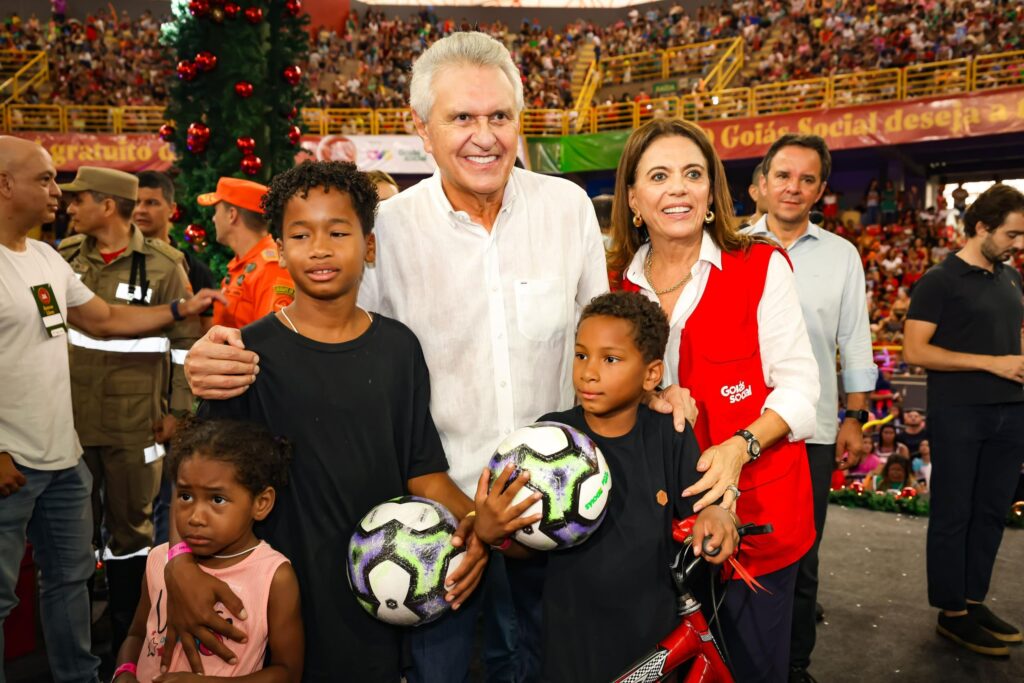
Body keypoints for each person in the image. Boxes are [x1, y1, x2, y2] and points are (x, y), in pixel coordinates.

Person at [183, 33, 695, 683]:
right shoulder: (386, 233)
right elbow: (326, 336)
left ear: (520, 120)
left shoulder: (566, 209)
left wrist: (661, 386)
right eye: (461, 118)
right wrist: (219, 354)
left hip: (557, 521)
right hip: (437, 529)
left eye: (499, 116)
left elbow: (609, 339)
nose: (484, 136)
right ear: (420, 129)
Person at [165, 161, 492, 681]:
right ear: (278, 247)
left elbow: (421, 470)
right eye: (301, 234)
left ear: (369, 246)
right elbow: (196, 478)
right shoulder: (248, 354)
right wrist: (178, 561)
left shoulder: (398, 348)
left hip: (376, 591)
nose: (319, 247)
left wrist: (475, 521)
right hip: (278, 592)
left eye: (338, 232)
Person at [0, 136, 220, 683]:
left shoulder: (46, 257)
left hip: (65, 458)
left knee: (71, 581)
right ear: (4, 185)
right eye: (46, 180)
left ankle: (79, 676)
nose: (58, 192)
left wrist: (178, 307)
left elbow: (102, 319)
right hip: (11, 465)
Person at [608, 118, 819, 682]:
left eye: (692, 174)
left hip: (757, 523)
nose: (677, 188)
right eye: (658, 175)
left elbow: (801, 390)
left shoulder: (760, 266)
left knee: (752, 669)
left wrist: (739, 447)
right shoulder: (613, 284)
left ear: (711, 193)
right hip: (656, 528)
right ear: (633, 197)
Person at [471, 291, 739, 682]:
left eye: (610, 359)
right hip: (571, 643)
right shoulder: (547, 439)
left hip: (655, 640)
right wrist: (494, 535)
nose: (588, 372)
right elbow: (528, 547)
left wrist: (717, 515)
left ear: (651, 374)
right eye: (581, 355)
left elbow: (704, 506)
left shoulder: (670, 433)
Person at [57, 165, 207, 656]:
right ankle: (78, 635)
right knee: (73, 538)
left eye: (80, 199)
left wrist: (179, 412)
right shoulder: (63, 260)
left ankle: (128, 635)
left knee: (131, 534)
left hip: (137, 427)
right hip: (69, 423)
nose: (68, 206)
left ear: (107, 206)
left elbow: (187, 343)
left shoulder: (164, 265)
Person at [744, 134, 877, 683]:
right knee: (722, 545)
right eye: (783, 175)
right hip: (736, 427)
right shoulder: (728, 244)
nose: (792, 187)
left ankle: (792, 664)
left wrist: (854, 416)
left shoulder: (842, 256)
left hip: (811, 431)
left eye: (805, 179)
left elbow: (856, 341)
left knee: (800, 556)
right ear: (761, 184)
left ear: (820, 189)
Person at [903, 183, 1024, 657]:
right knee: (954, 514)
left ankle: (973, 602)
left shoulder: (1010, 277)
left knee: (992, 512)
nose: (1019, 245)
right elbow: (915, 351)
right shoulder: (940, 280)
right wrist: (993, 363)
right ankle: (951, 612)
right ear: (981, 227)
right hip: (960, 414)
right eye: (1012, 235)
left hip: (1011, 413)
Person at [114, 418, 303, 682]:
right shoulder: (158, 560)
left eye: (217, 499)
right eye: (185, 496)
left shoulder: (273, 577)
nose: (195, 517)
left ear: (261, 503)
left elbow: (288, 672)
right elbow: (136, 635)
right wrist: (123, 673)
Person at [200, 177, 294, 328]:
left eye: (216, 211)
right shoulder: (242, 264)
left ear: (232, 215)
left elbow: (272, 338)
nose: (213, 219)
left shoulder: (271, 268)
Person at [134, 171, 216, 332]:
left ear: (172, 209)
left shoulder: (195, 270)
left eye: (151, 202)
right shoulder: (115, 261)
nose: (141, 210)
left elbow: (206, 329)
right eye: (135, 202)